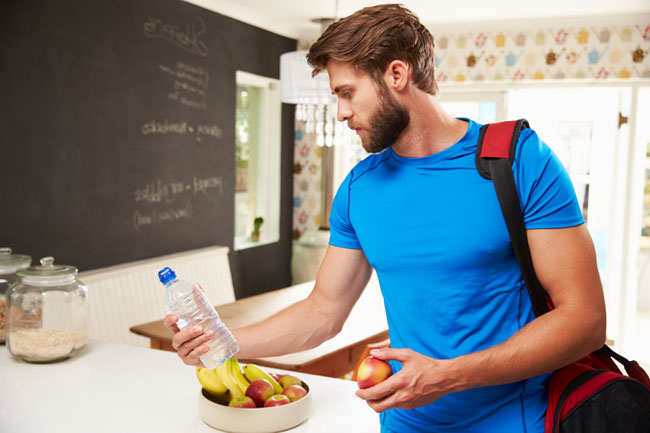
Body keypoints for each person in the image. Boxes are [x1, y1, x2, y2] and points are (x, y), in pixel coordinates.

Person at [164, 4, 606, 432]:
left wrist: (446, 376)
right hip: (404, 424)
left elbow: (585, 319)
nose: (340, 112)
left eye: (347, 92)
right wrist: (223, 340)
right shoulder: (359, 189)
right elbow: (322, 312)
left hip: (514, 422)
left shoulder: (519, 160)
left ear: (396, 74)